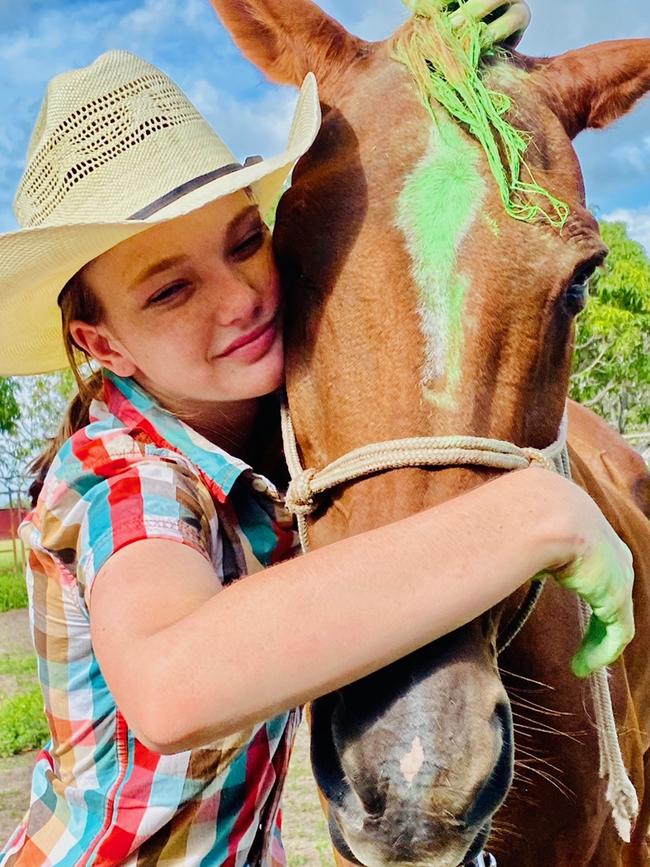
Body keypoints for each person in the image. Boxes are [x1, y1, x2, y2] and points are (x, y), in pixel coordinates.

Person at [0, 5, 634, 865]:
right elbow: (170, 682)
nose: (241, 297)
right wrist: (528, 517)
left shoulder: (265, 456)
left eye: (247, 241)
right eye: (168, 291)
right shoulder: (119, 471)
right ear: (101, 345)